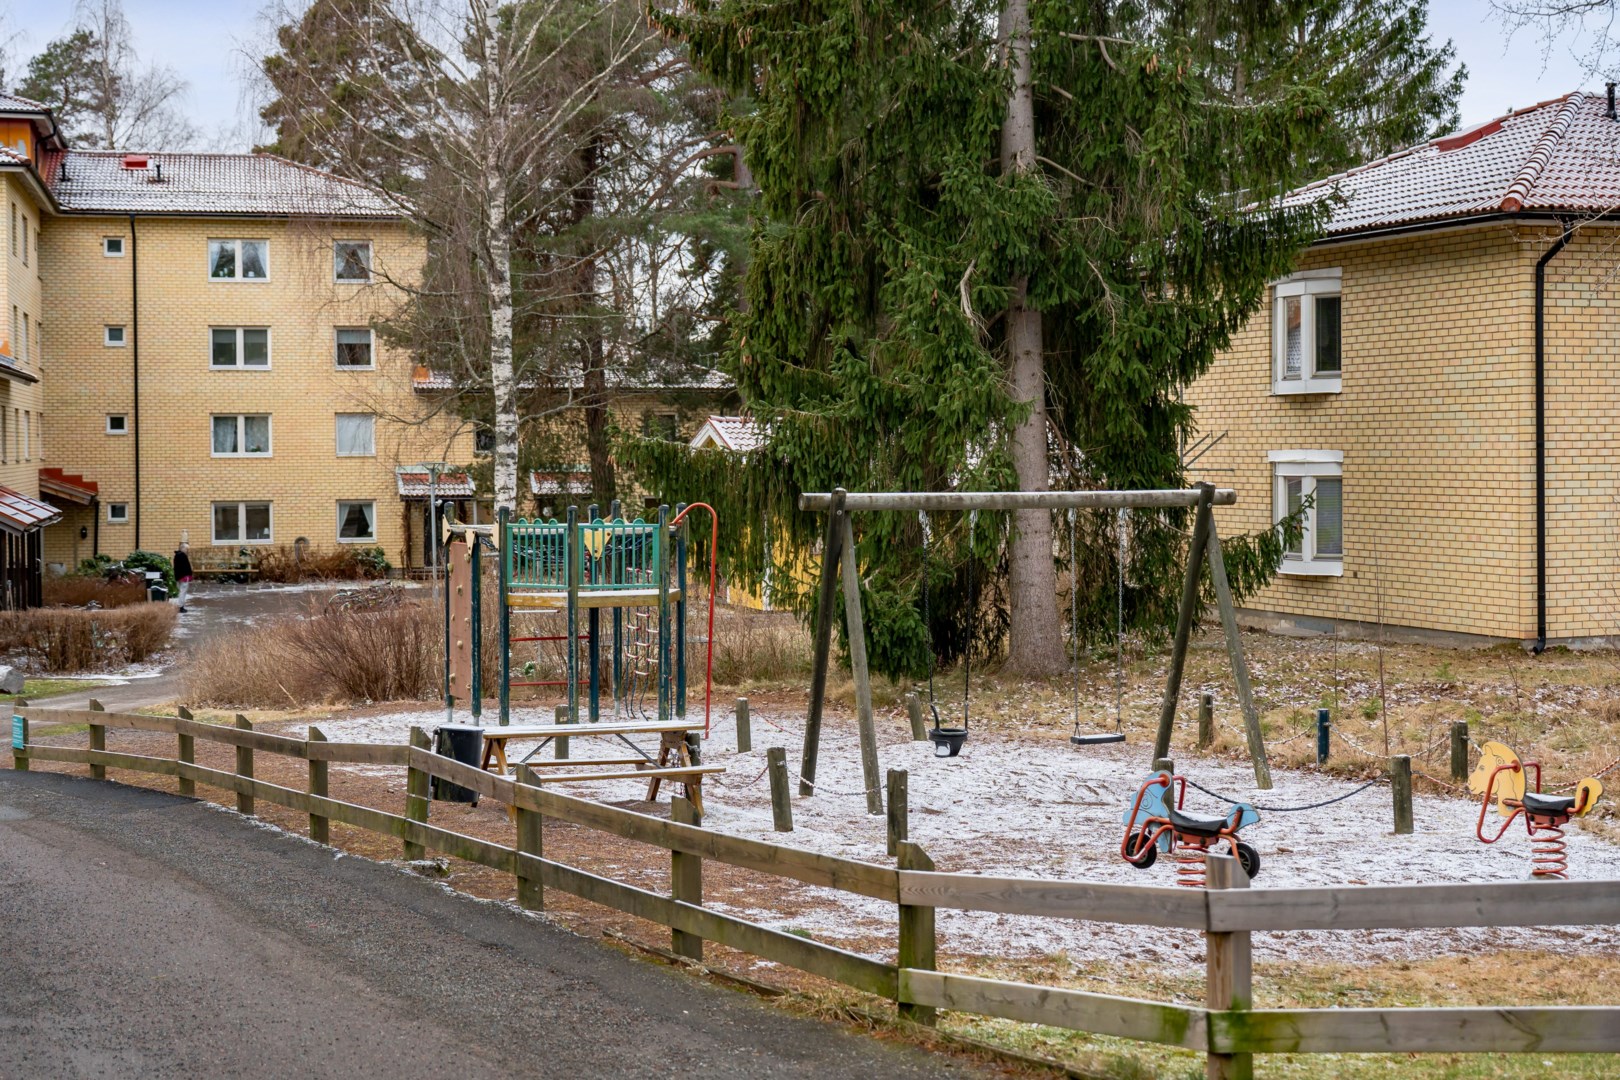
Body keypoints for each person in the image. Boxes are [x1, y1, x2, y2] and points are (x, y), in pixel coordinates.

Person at [173, 541, 193, 613]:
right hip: (184, 576)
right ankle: (180, 606)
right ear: (183, 548)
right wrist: (189, 574)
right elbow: (185, 567)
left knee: (181, 591)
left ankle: (180, 605)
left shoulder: (177, 555)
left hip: (179, 576)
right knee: (183, 592)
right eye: (186, 549)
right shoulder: (182, 556)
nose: (187, 551)